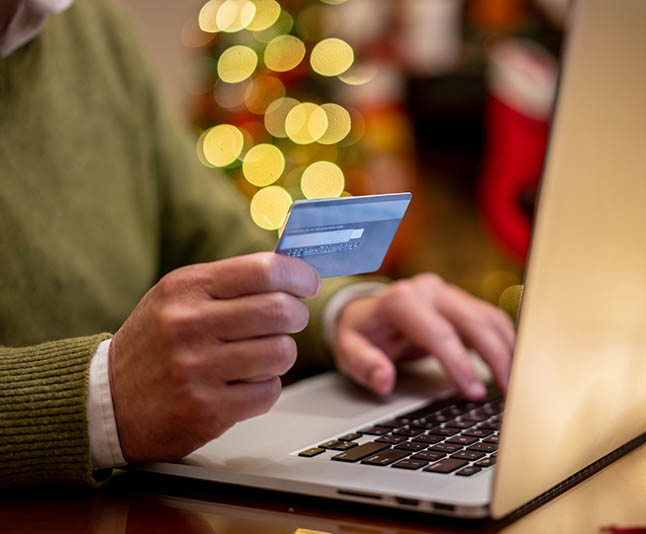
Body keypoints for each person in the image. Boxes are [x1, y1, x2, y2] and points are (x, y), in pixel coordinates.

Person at [0, 0, 514, 487]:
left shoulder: (91, 26)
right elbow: (119, 390)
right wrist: (99, 398)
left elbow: (219, 240)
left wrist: (346, 313)